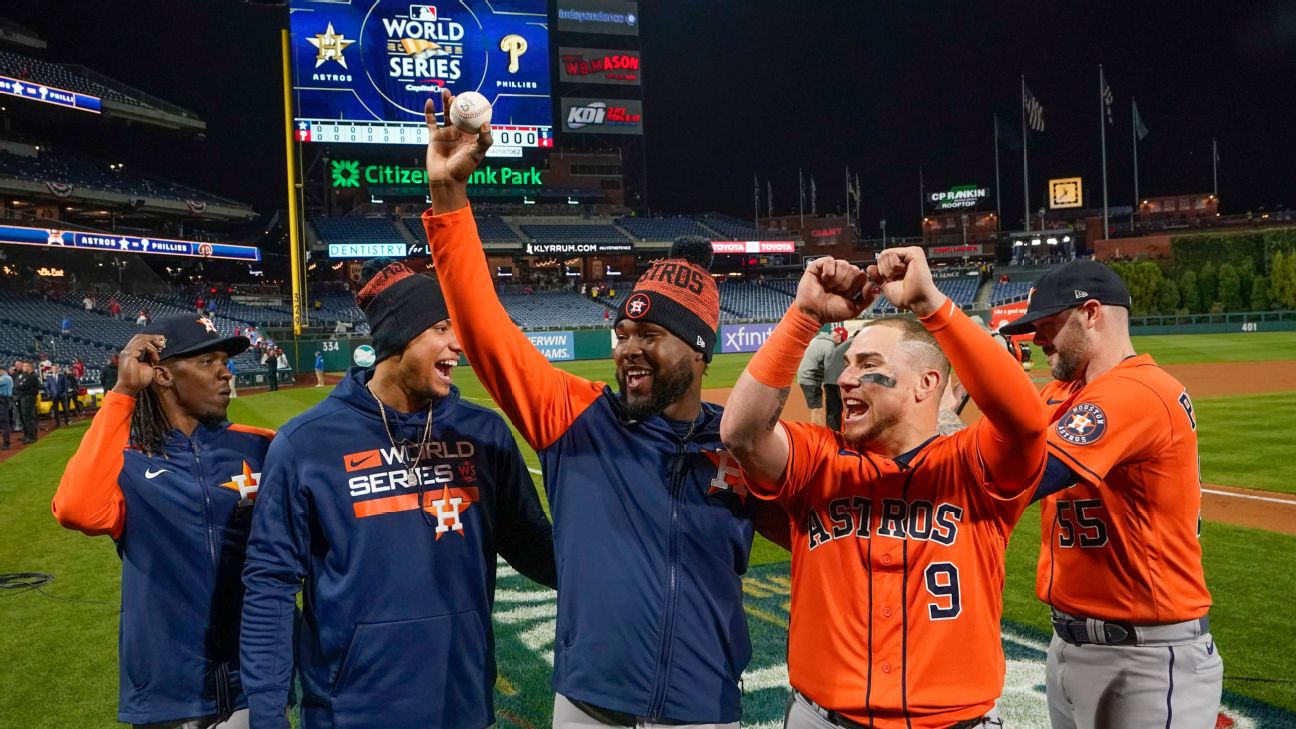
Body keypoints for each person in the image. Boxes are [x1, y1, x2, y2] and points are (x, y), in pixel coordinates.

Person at [421, 91, 787, 728]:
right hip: (591, 706)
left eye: (650, 338)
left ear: (700, 352)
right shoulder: (575, 416)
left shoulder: (742, 444)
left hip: (704, 709)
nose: (630, 352)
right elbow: (483, 327)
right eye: (623, 335)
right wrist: (450, 198)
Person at [720, 250, 1048, 729]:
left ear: (925, 383)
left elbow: (1025, 424)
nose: (846, 377)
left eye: (867, 364)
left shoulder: (975, 467)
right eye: (847, 363)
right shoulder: (818, 458)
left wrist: (931, 304)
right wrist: (805, 315)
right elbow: (742, 433)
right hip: (822, 717)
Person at [240, 259, 557, 729]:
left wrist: (623, 579)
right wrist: (266, 712)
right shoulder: (307, 443)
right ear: (398, 338)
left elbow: (532, 543)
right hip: (351, 711)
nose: (458, 345)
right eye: (442, 329)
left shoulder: (484, 433)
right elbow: (270, 584)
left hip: (463, 701)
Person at [999, 260, 1223, 729]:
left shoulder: (1139, 390)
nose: (1037, 340)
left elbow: (1021, 475)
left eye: (1047, 325)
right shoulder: (1064, 391)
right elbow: (994, 445)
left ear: (1091, 313)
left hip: (1142, 655)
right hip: (1071, 642)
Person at [52, 317, 273, 728]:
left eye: (225, 360)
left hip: (255, 684)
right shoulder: (131, 462)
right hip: (170, 694)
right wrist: (122, 394)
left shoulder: (262, 446)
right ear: (162, 374)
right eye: (207, 360)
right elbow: (76, 509)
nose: (226, 371)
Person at [796, 326, 845, 426]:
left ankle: (816, 431)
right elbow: (829, 369)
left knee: (816, 407)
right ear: (838, 336)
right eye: (841, 340)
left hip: (805, 375)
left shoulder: (816, 339)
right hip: (810, 378)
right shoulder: (830, 345)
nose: (839, 344)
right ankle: (817, 434)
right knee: (817, 409)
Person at [821, 326, 853, 431]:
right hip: (838, 380)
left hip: (828, 380)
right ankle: (851, 433)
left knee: (832, 410)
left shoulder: (838, 347)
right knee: (849, 408)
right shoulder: (854, 343)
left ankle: (832, 436)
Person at [15, 360, 40, 443]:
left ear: (29, 367)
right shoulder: (25, 375)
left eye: (25, 366)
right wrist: (20, 385)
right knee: (24, 417)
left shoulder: (32, 376)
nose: (23, 367)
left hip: (28, 398)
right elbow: (17, 385)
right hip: (24, 397)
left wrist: (20, 386)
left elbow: (23, 386)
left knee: (28, 417)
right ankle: (27, 435)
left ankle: (32, 437)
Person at [0, 364, 11, 448]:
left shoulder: (6, 378)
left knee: (4, 423)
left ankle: (6, 443)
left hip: (3, 400)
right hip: (2, 400)